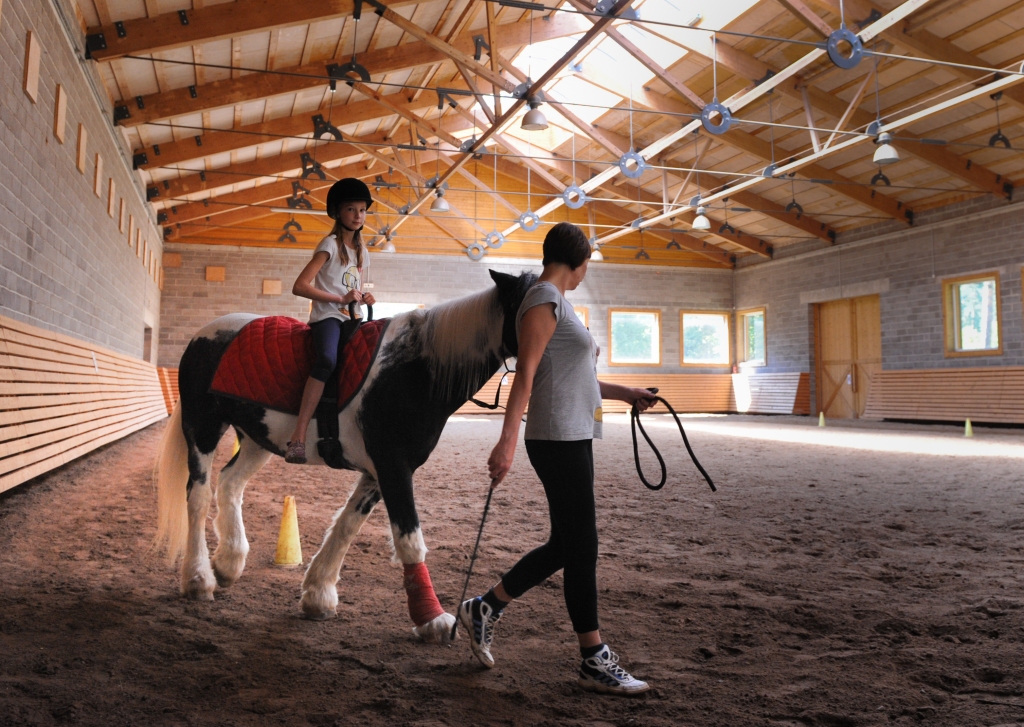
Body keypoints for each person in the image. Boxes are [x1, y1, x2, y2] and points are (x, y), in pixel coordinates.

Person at [459, 221, 658, 695]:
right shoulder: (544, 300)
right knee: (581, 545)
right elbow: (525, 374)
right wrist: (506, 443)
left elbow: (576, 375)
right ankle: (593, 657)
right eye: (588, 262)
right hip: (555, 438)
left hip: (573, 435)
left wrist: (627, 392)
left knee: (568, 545)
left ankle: (486, 607)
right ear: (579, 261)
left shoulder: (558, 303)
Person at [285, 178, 376, 464]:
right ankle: (298, 436)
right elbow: (300, 286)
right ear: (337, 212)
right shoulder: (329, 245)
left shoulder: (363, 252)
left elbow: (354, 287)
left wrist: (365, 297)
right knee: (326, 360)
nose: (358, 216)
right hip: (328, 317)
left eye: (362, 210)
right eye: (351, 209)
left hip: (353, 317)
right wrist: (340, 299)